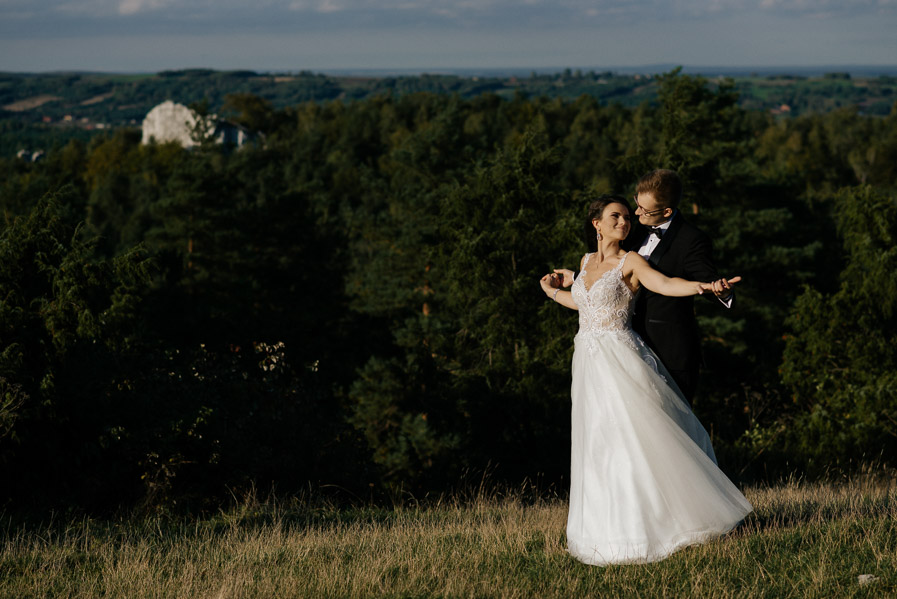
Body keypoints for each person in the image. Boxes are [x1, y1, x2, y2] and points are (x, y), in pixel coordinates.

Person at [540, 195, 751, 566]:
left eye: (626, 216)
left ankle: (658, 525)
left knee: (633, 441)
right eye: (615, 216)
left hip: (620, 360)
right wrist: (553, 292)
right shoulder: (586, 262)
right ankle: (604, 533)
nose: (624, 222)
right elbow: (585, 306)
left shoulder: (631, 261)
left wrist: (705, 287)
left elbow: (666, 284)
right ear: (597, 225)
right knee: (598, 446)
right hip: (588, 364)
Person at [555, 169, 731, 401]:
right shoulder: (631, 226)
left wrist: (719, 291)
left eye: (644, 210)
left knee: (671, 427)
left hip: (669, 350)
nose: (636, 212)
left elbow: (696, 281)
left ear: (667, 211)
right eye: (637, 203)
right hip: (622, 348)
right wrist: (578, 277)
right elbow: (613, 272)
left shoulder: (691, 240)